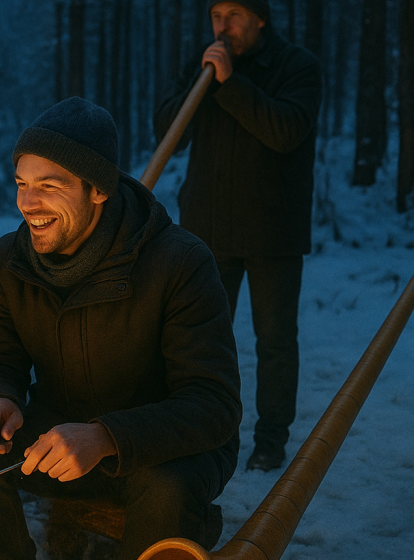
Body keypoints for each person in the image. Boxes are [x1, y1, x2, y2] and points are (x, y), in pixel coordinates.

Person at [0, 97, 243, 560]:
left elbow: (213, 404)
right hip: (57, 432)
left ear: (98, 189)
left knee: (167, 485)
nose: (28, 203)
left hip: (159, 447)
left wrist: (105, 437)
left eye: (49, 186)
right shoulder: (11, 259)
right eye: (21, 183)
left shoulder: (179, 263)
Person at [154, 0, 321, 471]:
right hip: (208, 228)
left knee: (274, 342)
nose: (223, 26)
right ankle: (205, 429)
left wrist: (232, 83)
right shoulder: (201, 64)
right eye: (216, 15)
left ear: (261, 18)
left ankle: (270, 439)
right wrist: (201, 82)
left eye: (235, 15)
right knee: (201, 340)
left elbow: (286, 130)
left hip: (274, 229)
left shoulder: (298, 67)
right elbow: (167, 128)